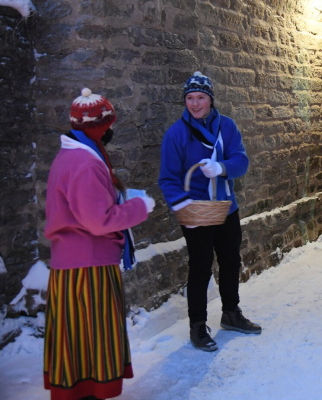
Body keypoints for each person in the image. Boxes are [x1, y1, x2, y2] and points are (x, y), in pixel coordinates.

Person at [44, 88, 155, 400]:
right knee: (93, 339)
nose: (110, 132)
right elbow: (98, 221)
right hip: (88, 266)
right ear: (97, 127)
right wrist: (139, 207)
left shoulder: (70, 155)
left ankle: (79, 391)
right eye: (107, 126)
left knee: (76, 340)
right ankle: (89, 392)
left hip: (71, 264)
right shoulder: (85, 163)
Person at [159, 71, 261, 352]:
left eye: (200, 97)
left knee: (230, 261)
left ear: (210, 99)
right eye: (190, 98)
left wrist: (223, 168)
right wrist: (183, 209)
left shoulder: (227, 127)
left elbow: (241, 161)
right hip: (196, 213)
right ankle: (197, 326)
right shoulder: (176, 134)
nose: (194, 103)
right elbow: (168, 179)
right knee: (200, 269)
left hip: (226, 208)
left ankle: (231, 313)